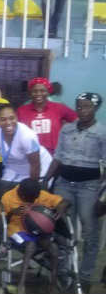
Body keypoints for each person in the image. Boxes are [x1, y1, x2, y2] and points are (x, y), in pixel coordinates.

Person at [43, 92, 105, 293]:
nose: (82, 110)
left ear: (95, 108)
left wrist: (103, 196)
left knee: (90, 231)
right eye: (79, 106)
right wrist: (46, 179)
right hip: (64, 184)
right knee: (62, 228)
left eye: (86, 107)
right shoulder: (67, 129)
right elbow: (59, 156)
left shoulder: (102, 132)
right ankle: (64, 271)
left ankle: (85, 276)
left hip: (90, 186)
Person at [1, 178, 68, 294]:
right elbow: (0, 219)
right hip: (17, 230)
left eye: (34, 198)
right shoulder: (8, 197)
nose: (32, 201)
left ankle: (52, 285)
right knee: (31, 245)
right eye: (28, 199)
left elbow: (64, 202)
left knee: (54, 249)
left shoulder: (41, 195)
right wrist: (12, 212)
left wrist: (61, 209)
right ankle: (21, 285)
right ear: (20, 193)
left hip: (38, 230)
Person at [17, 78, 77, 154]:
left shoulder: (59, 107)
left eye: (42, 91)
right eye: (34, 91)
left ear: (48, 92)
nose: (38, 94)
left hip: (54, 154)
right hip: (30, 153)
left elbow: (77, 120)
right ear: (30, 93)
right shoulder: (21, 110)